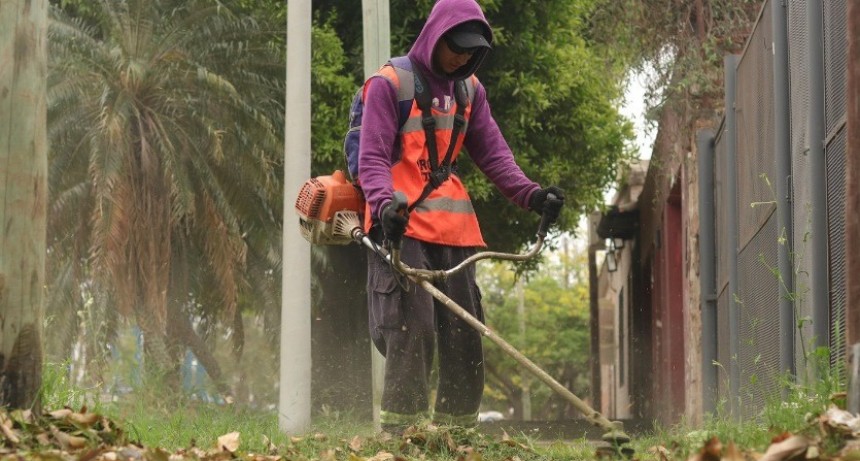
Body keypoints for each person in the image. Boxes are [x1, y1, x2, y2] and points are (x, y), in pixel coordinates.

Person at [358, 0, 565, 432]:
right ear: (436, 35)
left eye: (472, 51)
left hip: (454, 230)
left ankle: (457, 434)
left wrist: (532, 196)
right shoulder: (389, 84)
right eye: (457, 47)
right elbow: (372, 158)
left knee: (465, 335)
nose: (464, 57)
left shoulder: (470, 92)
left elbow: (495, 155)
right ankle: (404, 434)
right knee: (413, 328)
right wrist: (383, 207)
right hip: (402, 225)